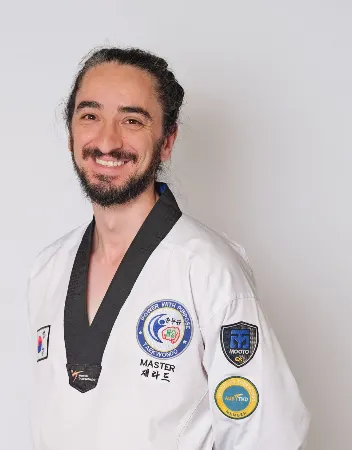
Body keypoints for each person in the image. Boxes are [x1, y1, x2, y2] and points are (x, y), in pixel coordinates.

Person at [26, 46, 310, 450]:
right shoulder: (47, 270)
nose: (107, 141)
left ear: (166, 140)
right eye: (90, 116)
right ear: (71, 132)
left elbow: (267, 434)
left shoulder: (209, 268)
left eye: (132, 120)